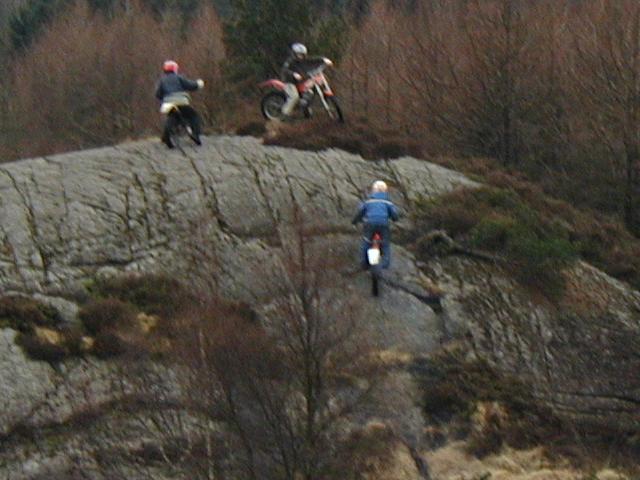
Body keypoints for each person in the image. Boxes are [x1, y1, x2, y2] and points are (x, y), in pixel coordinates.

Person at [155, 60, 204, 148]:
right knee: (193, 116)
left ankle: (165, 136)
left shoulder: (161, 81)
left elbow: (158, 94)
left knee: (171, 116)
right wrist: (199, 84)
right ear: (175, 69)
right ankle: (196, 134)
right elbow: (190, 85)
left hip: (167, 103)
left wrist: (164, 98)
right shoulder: (179, 77)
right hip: (181, 102)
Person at [352, 180, 400, 269]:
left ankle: (364, 263)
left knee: (366, 241)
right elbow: (394, 214)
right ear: (385, 191)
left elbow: (360, 212)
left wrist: (354, 221)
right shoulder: (388, 202)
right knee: (385, 243)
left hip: (369, 223)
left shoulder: (368, 201)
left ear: (373, 190)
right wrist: (395, 219)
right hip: (384, 224)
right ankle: (385, 264)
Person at [280, 42, 331, 117]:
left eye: (302, 54)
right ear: (294, 54)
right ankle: (283, 115)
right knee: (294, 97)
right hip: (290, 82)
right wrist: (293, 74)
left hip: (300, 82)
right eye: (298, 54)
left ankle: (306, 111)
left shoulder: (304, 60)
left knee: (309, 93)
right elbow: (284, 70)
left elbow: (313, 59)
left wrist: (323, 59)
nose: (300, 56)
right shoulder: (290, 61)